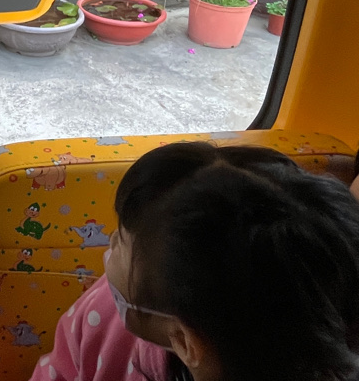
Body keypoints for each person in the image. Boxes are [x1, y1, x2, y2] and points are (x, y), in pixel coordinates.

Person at [31, 142, 359, 381]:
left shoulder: (137, 300)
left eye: (122, 243)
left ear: (185, 342)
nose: (112, 241)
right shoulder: (106, 313)